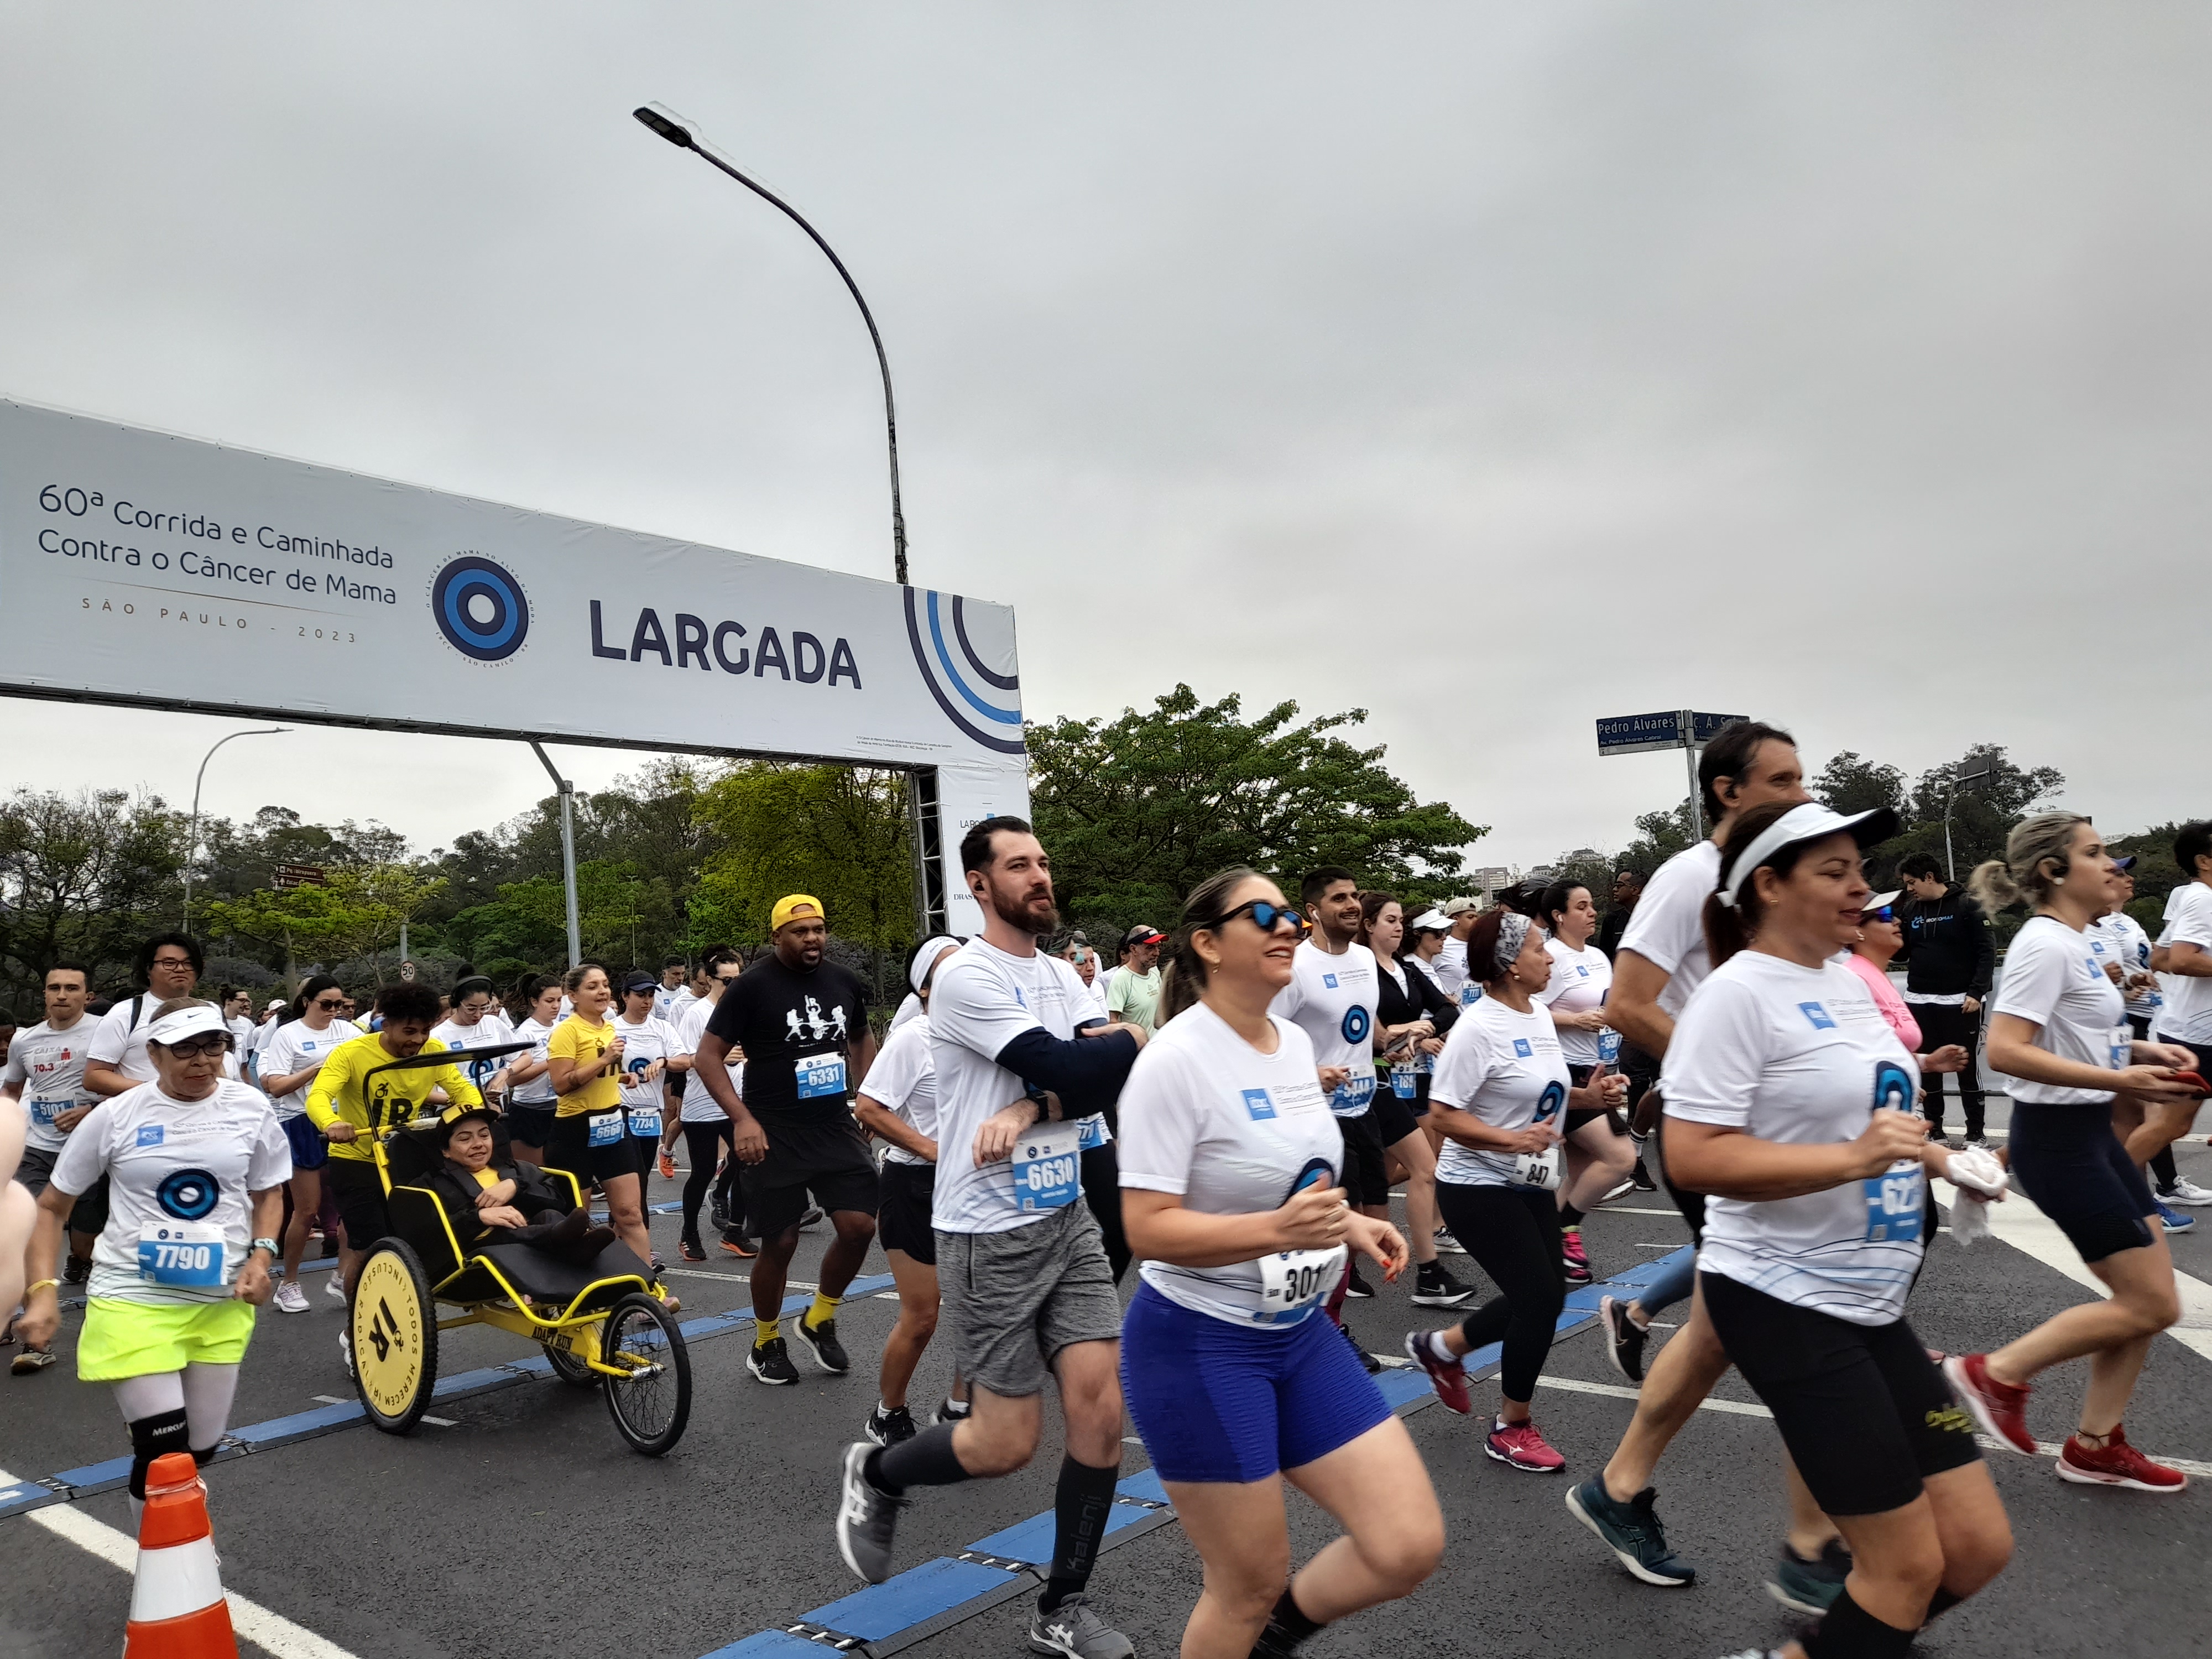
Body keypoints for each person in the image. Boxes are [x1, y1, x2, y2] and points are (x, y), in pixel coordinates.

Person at [1660, 800, 2014, 1659]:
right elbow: (1692, 1157)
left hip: (1871, 1301)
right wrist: (1852, 1161)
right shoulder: (1736, 993)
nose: (1864, 887)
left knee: (1976, 1549)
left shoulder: (1852, 981)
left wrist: (1940, 1161)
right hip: (1784, 1296)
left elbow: (1872, 1118)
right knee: (1902, 1570)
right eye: (1836, 872)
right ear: (1770, 886)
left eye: (1862, 868)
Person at [836, 816, 1146, 1659]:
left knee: (1100, 1411)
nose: (1040, 876)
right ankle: (880, 1471)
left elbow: (1127, 1052)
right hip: (987, 1227)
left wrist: (1030, 1105)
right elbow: (1085, 1068)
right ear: (979, 884)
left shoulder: (1058, 973)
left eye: (1043, 861)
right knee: (1004, 1444)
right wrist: (1064, 1082)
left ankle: (1061, 1608)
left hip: (1064, 1214)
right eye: (1019, 866)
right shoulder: (970, 978)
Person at [1119, 867, 1441, 1659]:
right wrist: (1276, 1230)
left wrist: (1347, 1229)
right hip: (1201, 1342)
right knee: (1244, 1584)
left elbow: (1301, 1179)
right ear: (1206, 945)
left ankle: (1277, 1638)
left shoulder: (1296, 1043)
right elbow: (1146, 1229)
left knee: (1406, 1544)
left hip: (1299, 1334)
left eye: (1290, 914)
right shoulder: (1174, 1061)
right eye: (1262, 915)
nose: (1287, 926)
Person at [1567, 718, 1845, 1605]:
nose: (1804, 794)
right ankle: (1812, 1546)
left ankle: (1616, 1490)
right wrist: (1722, 1066)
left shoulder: (1774, 882)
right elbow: (1626, 1001)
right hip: (1715, 1130)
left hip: (1767, 1126)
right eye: (1785, 779)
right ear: (1728, 790)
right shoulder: (1694, 875)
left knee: (1729, 1319)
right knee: (1801, 1316)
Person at [1943, 813, 2198, 1493]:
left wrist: (2142, 1050)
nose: (2112, 864)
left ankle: (2094, 1443)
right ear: (2053, 871)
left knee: (2147, 1299)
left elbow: (2070, 1032)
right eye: (2095, 853)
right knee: (2151, 1305)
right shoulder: (2043, 946)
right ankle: (1990, 1373)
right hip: (2059, 1145)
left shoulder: (2078, 942)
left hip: (2092, 1138)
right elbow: (2005, 1050)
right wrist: (2123, 1080)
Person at [14, 1000, 288, 1516]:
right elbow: (51, 1208)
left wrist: (262, 1254)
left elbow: (268, 1191)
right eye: (185, 1048)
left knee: (198, 1450)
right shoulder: (117, 1115)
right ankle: (164, 1568)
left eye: (214, 1045)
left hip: (220, 1299)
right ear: (153, 1053)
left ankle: (174, 1545)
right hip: (132, 1296)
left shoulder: (249, 1106)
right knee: (165, 1454)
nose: (202, 1060)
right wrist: (42, 1294)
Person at [1402, 907, 1609, 1472]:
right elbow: (1443, 1116)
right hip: (1476, 1186)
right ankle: (1510, 1427)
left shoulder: (1539, 1015)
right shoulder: (1477, 1027)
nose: (1548, 958)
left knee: (1546, 1294)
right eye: (1539, 949)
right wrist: (1507, 1139)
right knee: (1540, 1298)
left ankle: (1441, 1349)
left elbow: (1549, 1093)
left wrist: (1594, 1097)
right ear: (1509, 964)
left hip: (1530, 1177)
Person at [695, 896, 878, 1385]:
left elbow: (860, 1038)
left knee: (860, 1226)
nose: (813, 939)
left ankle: (819, 1318)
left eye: (819, 929)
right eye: (801, 932)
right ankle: (765, 1341)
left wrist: (870, 1097)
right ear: (777, 936)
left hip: (832, 1123)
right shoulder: (751, 987)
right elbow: (707, 1057)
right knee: (781, 1240)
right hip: (772, 1128)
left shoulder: (843, 980)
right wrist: (741, 1120)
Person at [307, 981, 487, 1373]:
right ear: (386, 1025)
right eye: (409, 1032)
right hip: (357, 1158)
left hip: (404, 1157)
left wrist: (476, 1108)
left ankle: (404, 1310)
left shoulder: (433, 1051)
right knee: (370, 1248)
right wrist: (333, 1121)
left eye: (425, 1031)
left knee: (416, 1241)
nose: (418, 1041)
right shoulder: (352, 1053)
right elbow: (318, 1096)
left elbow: (460, 1088)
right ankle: (357, 1332)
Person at [852, 936, 967, 1447]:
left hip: (973, 1187)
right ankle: (888, 1412)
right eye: (949, 967)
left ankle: (961, 1407)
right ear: (924, 987)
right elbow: (869, 1109)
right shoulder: (913, 1038)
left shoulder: (990, 1033)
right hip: (914, 1187)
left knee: (981, 1307)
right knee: (923, 1316)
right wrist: (935, 1149)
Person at [1270, 868, 1386, 1319]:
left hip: (1365, 1105)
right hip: (1316, 1115)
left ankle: (1326, 1318)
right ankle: (1327, 1327)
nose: (1353, 904)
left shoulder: (1363, 958)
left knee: (1368, 1221)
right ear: (1314, 912)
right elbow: (1266, 1037)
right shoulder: (1296, 966)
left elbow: (1363, 1030)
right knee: (1336, 1224)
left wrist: (1398, 1038)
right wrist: (1310, 1073)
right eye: (1340, 898)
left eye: (1355, 895)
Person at [1358, 893, 1473, 1308]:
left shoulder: (1407, 968)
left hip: (1399, 1079)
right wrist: (1401, 1032)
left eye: (1399, 920)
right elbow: (1362, 1025)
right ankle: (1344, 1253)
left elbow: (1447, 1011)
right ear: (1369, 925)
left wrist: (1417, 1031)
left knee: (1423, 1166)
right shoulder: (1358, 966)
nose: (1398, 927)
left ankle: (1429, 1275)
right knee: (1367, 1177)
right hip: (1363, 1079)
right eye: (1389, 920)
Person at [1, 962, 101, 1371]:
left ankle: (80, 1259)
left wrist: (89, 1108)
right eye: (54, 988)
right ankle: (36, 1340)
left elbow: (129, 1086)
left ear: (87, 995)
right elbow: (12, 1085)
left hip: (88, 1147)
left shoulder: (103, 1034)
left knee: (85, 1240)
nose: (62, 995)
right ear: (44, 994)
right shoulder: (26, 1041)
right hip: (38, 1147)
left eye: (72, 989)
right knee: (26, 1236)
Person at [1536, 881, 1636, 1285]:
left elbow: (1610, 1004)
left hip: (1599, 1067)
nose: (1592, 912)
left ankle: (1550, 1250)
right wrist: (1575, 1020)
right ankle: (1564, 1227)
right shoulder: (1550, 957)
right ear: (1560, 916)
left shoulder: (1597, 956)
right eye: (1582, 906)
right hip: (1565, 1071)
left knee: (1582, 1173)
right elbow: (1528, 1009)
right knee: (1620, 1158)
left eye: (1592, 905)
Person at [542, 964, 659, 1275]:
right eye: (593, 987)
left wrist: (620, 1076)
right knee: (576, 1218)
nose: (603, 992)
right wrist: (605, 1060)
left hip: (612, 1125)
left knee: (630, 1213)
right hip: (574, 1130)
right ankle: (568, 1286)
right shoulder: (567, 1031)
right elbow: (562, 1085)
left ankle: (646, 1288)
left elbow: (598, 1073)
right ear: (573, 996)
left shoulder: (607, 1027)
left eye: (605, 985)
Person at [253, 975, 357, 1313]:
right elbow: (276, 1086)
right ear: (306, 1002)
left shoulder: (349, 1032)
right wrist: (317, 1069)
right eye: (326, 1004)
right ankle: (289, 1282)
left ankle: (342, 1276)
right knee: (307, 1209)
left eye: (339, 1005)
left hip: (344, 1118)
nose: (333, 1011)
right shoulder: (288, 1034)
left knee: (350, 1205)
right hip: (301, 1121)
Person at [419, 1102, 617, 1266]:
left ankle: (573, 1248)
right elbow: (428, 1234)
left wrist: (516, 1187)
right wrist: (479, 1217)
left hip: (533, 1241)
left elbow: (558, 1201)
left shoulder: (518, 1169)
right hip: (482, 1250)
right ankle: (570, 1245)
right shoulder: (432, 1184)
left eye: (484, 1135)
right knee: (513, 1233)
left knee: (551, 1215)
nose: (478, 1144)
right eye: (465, 1139)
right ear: (445, 1150)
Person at [1893, 852, 1998, 1149]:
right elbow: (1901, 953)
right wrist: (1890, 927)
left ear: (1930, 877)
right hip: (1919, 998)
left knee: (1965, 1065)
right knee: (1928, 1067)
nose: (1909, 888)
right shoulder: (1911, 909)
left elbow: (1986, 952)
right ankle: (1935, 1130)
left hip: (1960, 1000)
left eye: (1912, 882)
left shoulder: (1968, 905)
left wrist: (1977, 992)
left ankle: (1975, 1132)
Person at [2135, 821, 2212, 1207]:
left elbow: (2160, 957)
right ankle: (2108, 1189)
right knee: (2170, 1124)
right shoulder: (2202, 899)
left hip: (2189, 1027)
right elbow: (2181, 960)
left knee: (2169, 1123)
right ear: (2205, 861)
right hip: (2196, 1036)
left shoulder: (2194, 897)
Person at [664, 948, 746, 1261]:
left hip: (735, 1101)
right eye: (726, 981)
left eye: (737, 981)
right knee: (701, 1172)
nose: (732, 987)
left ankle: (735, 1230)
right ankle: (689, 1234)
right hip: (703, 1103)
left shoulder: (743, 1009)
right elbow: (682, 1060)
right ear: (710, 981)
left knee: (745, 1162)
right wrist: (718, 1058)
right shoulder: (697, 1014)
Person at [84, 933, 210, 1097]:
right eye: (169, 963)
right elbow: (94, 1076)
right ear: (148, 969)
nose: (180, 969)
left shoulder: (210, 1012)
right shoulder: (125, 1014)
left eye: (189, 963)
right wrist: (159, 1092)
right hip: (144, 1116)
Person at [611, 972, 690, 1193]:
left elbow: (684, 1061)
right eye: (640, 995)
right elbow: (601, 1070)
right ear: (625, 997)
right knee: (628, 1175)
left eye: (650, 996)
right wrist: (622, 1077)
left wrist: (664, 1062)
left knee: (642, 1176)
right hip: (620, 1109)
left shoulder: (662, 1028)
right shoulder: (611, 1029)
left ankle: (629, 1222)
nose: (647, 1001)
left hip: (650, 1112)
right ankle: (626, 1222)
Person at [502, 977, 564, 1168]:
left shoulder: (562, 1028)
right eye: (549, 1001)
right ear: (535, 1002)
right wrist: (550, 1063)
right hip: (529, 1110)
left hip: (557, 1106)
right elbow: (512, 1080)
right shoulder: (526, 1033)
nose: (556, 1006)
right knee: (533, 1175)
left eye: (559, 1000)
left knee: (558, 1170)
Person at [428, 977, 518, 1100]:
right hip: (459, 1107)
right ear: (457, 1004)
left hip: (497, 1104)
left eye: (484, 1008)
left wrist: (504, 1073)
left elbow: (524, 1056)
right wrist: (468, 1099)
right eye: (471, 1009)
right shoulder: (437, 1036)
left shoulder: (493, 1023)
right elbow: (425, 1089)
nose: (478, 1015)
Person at [1108, 925, 1166, 1036]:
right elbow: (1113, 1022)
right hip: (1137, 1050)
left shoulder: (1154, 972)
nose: (1157, 953)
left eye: (1158, 947)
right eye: (1150, 948)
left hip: (1157, 1046)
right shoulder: (1122, 978)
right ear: (1134, 949)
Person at [1431, 896, 1483, 1005]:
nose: (1476, 921)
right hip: (1454, 1015)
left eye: (1476, 917)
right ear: (1455, 920)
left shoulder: (1480, 946)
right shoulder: (1442, 947)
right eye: (1470, 917)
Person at [1598, 867, 1643, 961]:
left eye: (1619, 886)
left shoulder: (1655, 918)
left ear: (1635, 890)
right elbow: (1606, 958)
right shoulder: (1612, 920)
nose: (1614, 890)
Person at [655, 956, 691, 1023]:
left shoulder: (687, 991)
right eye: (676, 974)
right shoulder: (654, 995)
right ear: (664, 974)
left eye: (683, 974)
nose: (680, 978)